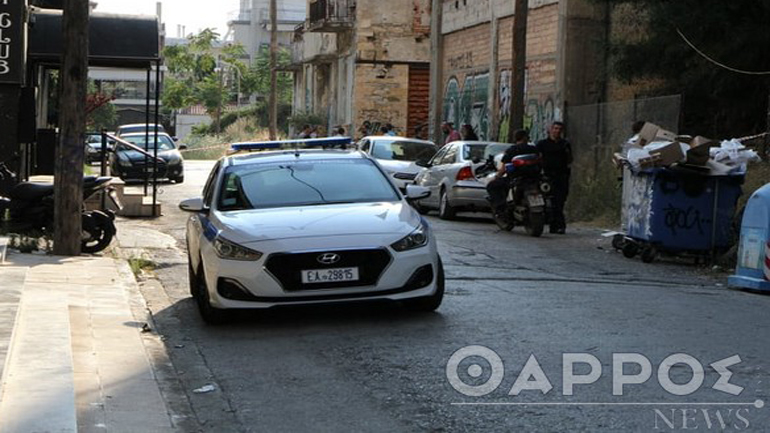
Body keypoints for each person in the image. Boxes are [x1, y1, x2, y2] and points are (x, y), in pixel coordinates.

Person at [486, 129, 538, 216]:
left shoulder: (512, 150)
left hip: (515, 179)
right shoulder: (534, 149)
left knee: (492, 185)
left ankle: (501, 208)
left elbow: (503, 168)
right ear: (526, 138)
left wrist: (497, 177)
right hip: (533, 179)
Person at [536, 121, 572, 234]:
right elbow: (537, 157)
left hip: (561, 176)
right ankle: (551, 223)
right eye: (555, 128)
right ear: (550, 130)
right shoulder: (542, 144)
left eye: (559, 129)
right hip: (547, 176)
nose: (557, 131)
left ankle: (558, 225)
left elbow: (569, 159)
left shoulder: (565, 144)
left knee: (559, 201)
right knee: (548, 201)